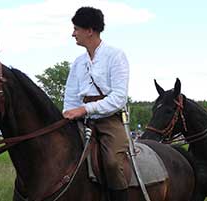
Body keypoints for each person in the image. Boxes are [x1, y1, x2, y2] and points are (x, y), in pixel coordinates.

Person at [63, 7, 129, 201]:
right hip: (79, 119)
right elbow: (71, 95)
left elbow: (119, 97)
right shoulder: (78, 62)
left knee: (111, 163)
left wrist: (85, 109)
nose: (73, 33)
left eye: (76, 29)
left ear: (89, 30)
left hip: (109, 119)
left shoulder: (116, 56)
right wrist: (68, 113)